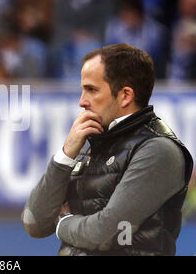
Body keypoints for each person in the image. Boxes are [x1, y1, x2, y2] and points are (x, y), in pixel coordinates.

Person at [22, 43, 194, 256]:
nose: (81, 102)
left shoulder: (158, 150)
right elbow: (34, 223)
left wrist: (62, 222)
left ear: (125, 96)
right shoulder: (88, 143)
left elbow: (104, 235)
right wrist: (65, 156)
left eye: (91, 90)